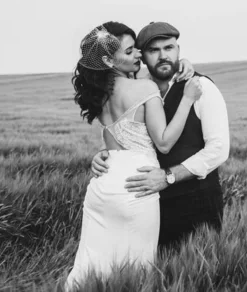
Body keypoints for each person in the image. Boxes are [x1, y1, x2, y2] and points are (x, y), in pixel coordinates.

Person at [65, 22, 202, 291]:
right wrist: (187, 99)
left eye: (137, 50)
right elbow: (163, 143)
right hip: (136, 188)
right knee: (138, 271)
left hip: (102, 187)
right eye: (130, 52)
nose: (138, 56)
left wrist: (181, 61)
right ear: (109, 60)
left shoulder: (98, 95)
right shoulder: (143, 89)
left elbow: (114, 142)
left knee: (92, 267)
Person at [91, 21, 230, 251]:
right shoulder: (140, 90)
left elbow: (218, 149)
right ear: (141, 57)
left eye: (169, 48)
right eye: (154, 51)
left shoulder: (201, 86)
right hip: (150, 204)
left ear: (178, 50)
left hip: (198, 202)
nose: (163, 56)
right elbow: (127, 135)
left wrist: (168, 177)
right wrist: (105, 154)